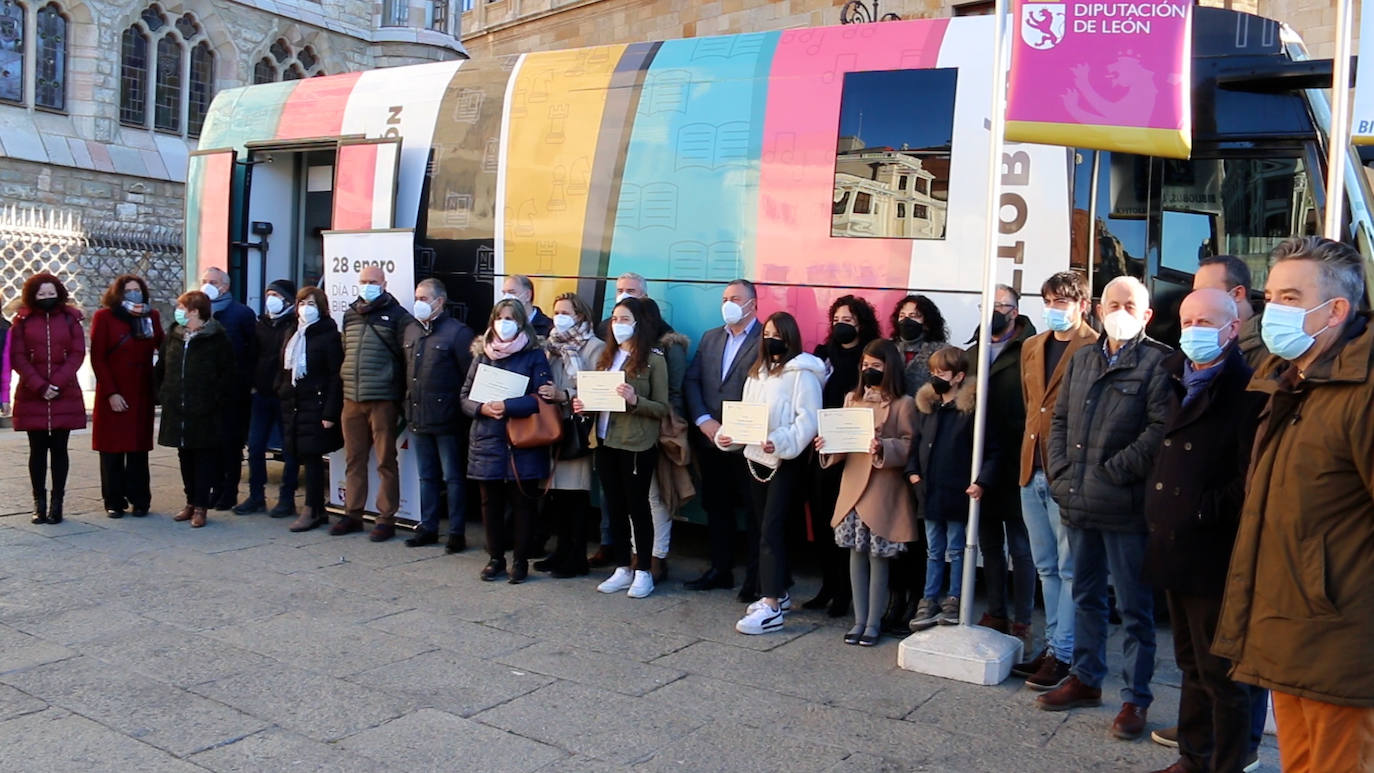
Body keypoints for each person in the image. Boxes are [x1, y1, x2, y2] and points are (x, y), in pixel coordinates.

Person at [1215, 236, 1374, 773]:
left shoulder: (1363, 391)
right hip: (1290, 626)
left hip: (1341, 640)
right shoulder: (1292, 383)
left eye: (1290, 296)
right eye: (1271, 296)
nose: (1273, 310)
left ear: (1336, 310)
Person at [1038, 276, 1173, 743]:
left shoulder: (1158, 363)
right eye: (1113, 303)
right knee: (1086, 596)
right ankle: (1086, 678)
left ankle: (1136, 698)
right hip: (1078, 501)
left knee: (1134, 609)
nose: (1120, 310)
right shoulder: (1082, 359)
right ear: (1098, 308)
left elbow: (1160, 429)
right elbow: (1058, 420)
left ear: (1146, 314)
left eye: (1130, 304)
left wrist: (1113, 471)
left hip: (1124, 506)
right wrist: (1058, 471)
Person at [1153, 255, 1272, 757]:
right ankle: (1192, 757)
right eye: (1187, 323)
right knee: (1188, 662)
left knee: (1222, 675)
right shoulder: (1177, 376)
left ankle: (1228, 762)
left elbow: (1250, 476)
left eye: (1205, 323)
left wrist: (1200, 511)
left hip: (1212, 551)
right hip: (1174, 550)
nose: (1193, 331)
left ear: (1232, 329)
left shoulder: (1247, 389)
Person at [1014, 270, 1097, 691]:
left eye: (1061, 302)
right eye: (1048, 301)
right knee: (1045, 565)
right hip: (1032, 469)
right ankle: (1051, 647)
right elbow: (1033, 407)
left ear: (1082, 305)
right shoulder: (1032, 346)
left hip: (1068, 474)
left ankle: (1063, 653)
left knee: (1068, 569)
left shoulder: (1096, 347)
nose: (1053, 309)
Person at [717, 312, 824, 634]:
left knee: (772, 531)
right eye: (767, 332)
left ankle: (771, 604)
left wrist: (779, 441)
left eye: (777, 333)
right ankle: (777, 590)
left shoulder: (803, 374)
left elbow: (808, 420)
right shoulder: (757, 374)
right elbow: (746, 416)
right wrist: (729, 435)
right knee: (762, 528)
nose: (770, 338)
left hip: (783, 463)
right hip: (754, 461)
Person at [818, 339, 915, 646]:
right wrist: (826, 446)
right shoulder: (851, 398)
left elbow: (909, 444)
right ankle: (859, 620)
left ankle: (873, 623)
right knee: (854, 553)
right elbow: (840, 445)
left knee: (878, 556)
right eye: (865, 365)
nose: (868, 370)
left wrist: (884, 446)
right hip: (852, 487)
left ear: (889, 368)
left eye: (876, 366)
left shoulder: (903, 404)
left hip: (883, 489)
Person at [575, 297, 669, 599]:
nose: (618, 325)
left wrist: (635, 400)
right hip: (604, 440)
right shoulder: (607, 356)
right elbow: (598, 398)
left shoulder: (654, 360)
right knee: (613, 506)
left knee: (637, 507)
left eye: (625, 319)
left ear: (639, 324)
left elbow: (662, 408)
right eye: (615, 319)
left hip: (636, 443)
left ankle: (643, 569)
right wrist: (584, 406)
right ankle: (621, 567)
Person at [460, 298, 554, 584]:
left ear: (521, 322)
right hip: (486, 439)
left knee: (522, 503)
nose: (504, 323)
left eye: (511, 318)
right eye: (500, 318)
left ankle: (520, 560)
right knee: (490, 504)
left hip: (520, 442)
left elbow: (542, 398)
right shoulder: (482, 355)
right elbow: (464, 396)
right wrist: (481, 408)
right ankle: (495, 558)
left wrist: (508, 406)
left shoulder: (534, 355)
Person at [965, 285, 1036, 652]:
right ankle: (995, 611)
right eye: (987, 305)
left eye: (1001, 306)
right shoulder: (974, 351)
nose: (993, 311)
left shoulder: (1030, 350)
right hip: (983, 460)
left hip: (1018, 459)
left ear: (1014, 311)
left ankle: (1022, 618)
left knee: (1021, 548)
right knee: (989, 544)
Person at [906, 346, 996, 630]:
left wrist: (981, 482)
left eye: (941, 373)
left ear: (958, 376)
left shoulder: (971, 411)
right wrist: (913, 475)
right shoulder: (928, 408)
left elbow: (992, 450)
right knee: (934, 548)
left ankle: (955, 597)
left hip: (957, 492)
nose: (936, 377)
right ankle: (929, 598)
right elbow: (916, 444)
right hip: (929, 492)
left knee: (956, 548)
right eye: (933, 372)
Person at [682, 279, 762, 593]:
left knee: (756, 512)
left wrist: (738, 429)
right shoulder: (711, 337)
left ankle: (756, 579)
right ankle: (720, 568)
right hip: (711, 438)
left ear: (753, 304)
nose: (728, 303)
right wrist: (703, 420)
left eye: (736, 298)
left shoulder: (765, 339)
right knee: (717, 506)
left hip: (748, 443)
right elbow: (693, 381)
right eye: (725, 297)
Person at [806, 294, 881, 616]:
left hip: (853, 452)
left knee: (845, 523)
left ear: (861, 324)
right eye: (836, 320)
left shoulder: (871, 358)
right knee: (822, 520)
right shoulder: (823, 355)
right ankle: (827, 585)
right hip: (823, 449)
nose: (841, 326)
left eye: (848, 321)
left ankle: (846, 592)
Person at [335, 266, 414, 541]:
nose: (367, 285)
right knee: (354, 459)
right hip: (352, 397)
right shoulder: (349, 315)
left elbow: (407, 359)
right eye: (363, 281)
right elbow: (346, 349)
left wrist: (401, 395)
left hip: (382, 398)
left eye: (373, 281)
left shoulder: (398, 316)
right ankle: (352, 514)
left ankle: (385, 518)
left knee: (385, 461)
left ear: (384, 283)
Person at [402, 279, 475, 548]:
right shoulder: (411, 330)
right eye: (417, 297)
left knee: (453, 478)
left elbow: (469, 375)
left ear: (439, 302)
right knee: (426, 476)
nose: (418, 302)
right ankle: (428, 527)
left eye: (424, 298)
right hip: (418, 415)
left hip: (448, 419)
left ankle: (457, 532)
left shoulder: (458, 333)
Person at [536, 291, 605, 577]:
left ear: (580, 315)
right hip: (550, 427)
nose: (560, 317)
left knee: (575, 495)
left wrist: (563, 394)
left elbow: (598, 389)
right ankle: (560, 551)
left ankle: (576, 556)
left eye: (566, 312)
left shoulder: (595, 347)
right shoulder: (549, 345)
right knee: (555, 496)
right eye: (557, 311)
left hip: (577, 428)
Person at [10, 273, 86, 525]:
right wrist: (40, 386)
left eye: (50, 293)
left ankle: (57, 503)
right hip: (34, 393)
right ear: (32, 296)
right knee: (37, 450)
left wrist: (57, 383)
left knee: (60, 450)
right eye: (40, 294)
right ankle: (39, 503)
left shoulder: (70, 318)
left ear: (59, 292)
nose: (46, 298)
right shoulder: (21, 321)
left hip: (64, 391)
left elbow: (77, 353)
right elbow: (18, 356)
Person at [157, 290, 235, 529]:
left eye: (183, 308)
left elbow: (227, 374)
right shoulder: (174, 334)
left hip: (205, 409)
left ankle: (201, 506)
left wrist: (213, 400)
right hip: (177, 406)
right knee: (184, 456)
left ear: (196, 312)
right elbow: (162, 365)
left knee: (203, 458)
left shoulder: (217, 337)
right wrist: (162, 393)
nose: (178, 312)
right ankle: (190, 501)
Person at [91, 274, 164, 519]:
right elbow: (98, 358)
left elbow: (162, 347)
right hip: (114, 390)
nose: (134, 294)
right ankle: (114, 500)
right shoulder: (104, 317)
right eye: (128, 290)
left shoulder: (150, 315)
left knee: (138, 449)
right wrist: (111, 392)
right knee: (111, 451)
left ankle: (140, 499)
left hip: (141, 390)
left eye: (138, 290)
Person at [277, 287, 345, 533]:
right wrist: (281, 389)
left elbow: (335, 377)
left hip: (316, 405)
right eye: (302, 303)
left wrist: (330, 412)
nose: (305, 308)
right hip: (294, 403)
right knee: (300, 454)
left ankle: (312, 509)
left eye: (311, 303)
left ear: (322, 307)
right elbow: (283, 366)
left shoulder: (329, 336)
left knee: (313, 457)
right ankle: (316, 509)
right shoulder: (293, 332)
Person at [235, 279, 299, 517]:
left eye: (276, 295)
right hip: (261, 395)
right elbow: (251, 357)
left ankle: (287, 498)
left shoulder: (294, 325)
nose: (271, 299)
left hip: (285, 397)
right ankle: (256, 495)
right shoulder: (260, 325)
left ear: (289, 300)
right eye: (268, 294)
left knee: (290, 449)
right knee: (255, 446)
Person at [198, 266, 257, 512]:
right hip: (206, 391)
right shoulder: (198, 312)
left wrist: (248, 383)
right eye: (204, 280)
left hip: (234, 390)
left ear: (225, 286)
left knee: (230, 443)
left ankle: (229, 491)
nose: (207, 285)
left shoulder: (241, 313)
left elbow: (252, 350)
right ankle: (214, 487)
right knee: (210, 443)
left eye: (212, 281)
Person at [640, 297, 690, 582]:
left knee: (659, 496)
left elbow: (674, 392)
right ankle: (640, 554)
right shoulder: (629, 348)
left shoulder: (670, 346)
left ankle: (658, 556)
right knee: (639, 497)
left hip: (662, 429)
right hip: (633, 430)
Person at [1193, 254, 1269, 370]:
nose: (1201, 300)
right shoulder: (1200, 340)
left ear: (1237, 293)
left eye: (1208, 292)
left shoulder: (1268, 349)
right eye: (1196, 294)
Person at [890, 294, 948, 395]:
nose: (906, 320)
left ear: (926, 322)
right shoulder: (888, 347)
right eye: (902, 316)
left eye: (913, 316)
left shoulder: (942, 352)